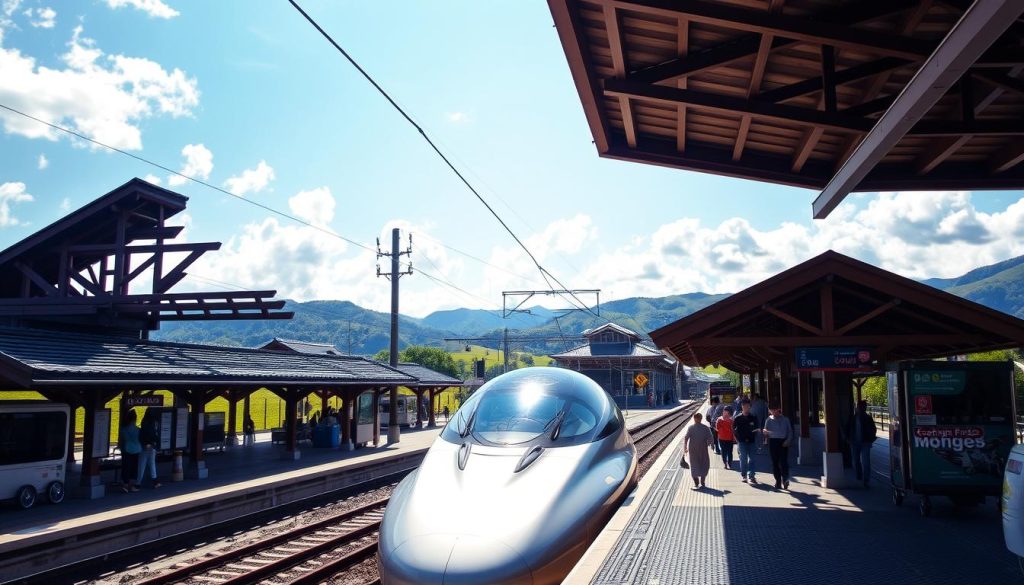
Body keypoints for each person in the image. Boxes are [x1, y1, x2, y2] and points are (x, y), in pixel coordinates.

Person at [845, 400, 878, 488]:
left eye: (863, 407)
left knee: (865, 462)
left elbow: (873, 429)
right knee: (856, 461)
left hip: (865, 442)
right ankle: (859, 476)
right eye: (861, 407)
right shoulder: (852, 418)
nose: (861, 409)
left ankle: (865, 480)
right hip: (855, 442)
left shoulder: (868, 418)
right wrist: (848, 438)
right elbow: (847, 429)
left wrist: (871, 439)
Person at [762, 404, 793, 490]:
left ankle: (785, 479)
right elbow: (765, 432)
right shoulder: (768, 420)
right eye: (772, 410)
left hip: (783, 442)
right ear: (769, 411)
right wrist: (765, 433)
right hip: (773, 442)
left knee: (783, 461)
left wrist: (788, 440)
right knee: (775, 463)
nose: (774, 411)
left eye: (775, 409)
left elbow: (790, 431)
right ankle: (778, 481)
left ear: (779, 409)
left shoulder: (785, 419)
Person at [732, 398, 760, 484]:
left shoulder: (753, 418)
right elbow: (733, 429)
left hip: (752, 441)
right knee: (743, 459)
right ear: (742, 406)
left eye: (748, 406)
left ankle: (752, 475)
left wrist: (756, 436)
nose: (746, 408)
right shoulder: (737, 418)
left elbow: (757, 429)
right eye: (744, 406)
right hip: (742, 442)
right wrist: (737, 440)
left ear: (750, 407)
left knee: (752, 459)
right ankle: (744, 475)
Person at [683, 412, 714, 489]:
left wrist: (685, 448)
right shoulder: (705, 428)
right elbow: (710, 438)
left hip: (694, 449)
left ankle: (697, 483)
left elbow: (686, 438)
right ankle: (701, 483)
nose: (697, 419)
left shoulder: (691, 428)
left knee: (695, 465)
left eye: (697, 418)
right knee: (703, 464)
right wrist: (709, 444)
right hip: (700, 449)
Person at [120, 409, 141, 493]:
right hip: (136, 450)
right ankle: (131, 486)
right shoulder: (138, 430)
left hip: (126, 449)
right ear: (135, 418)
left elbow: (123, 440)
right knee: (134, 468)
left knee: (126, 467)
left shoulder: (123, 429)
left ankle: (125, 485)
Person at [137, 414, 161, 489]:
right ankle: (155, 481)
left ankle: (138, 483)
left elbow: (141, 436)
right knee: (152, 464)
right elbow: (155, 436)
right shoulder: (153, 424)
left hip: (144, 447)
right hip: (152, 447)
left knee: (142, 465)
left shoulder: (144, 423)